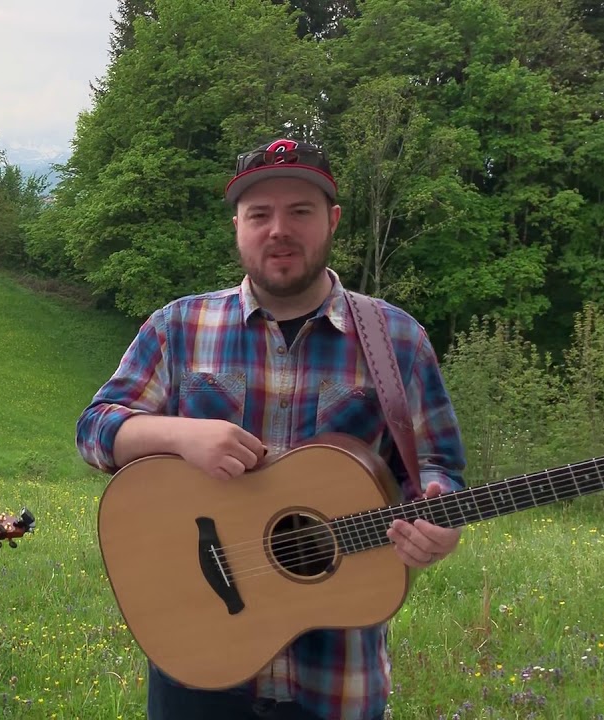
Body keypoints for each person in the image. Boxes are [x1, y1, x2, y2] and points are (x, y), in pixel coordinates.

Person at [75, 139, 467, 720]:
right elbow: (95, 430)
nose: (278, 229)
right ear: (237, 226)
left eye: (300, 211)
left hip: (337, 676)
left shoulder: (396, 340)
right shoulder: (179, 327)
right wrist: (182, 435)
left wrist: (442, 520)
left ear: (331, 221)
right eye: (260, 214)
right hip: (198, 655)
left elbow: (438, 469)